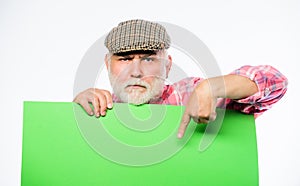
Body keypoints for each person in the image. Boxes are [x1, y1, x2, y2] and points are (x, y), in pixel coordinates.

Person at [73, 19, 288, 139]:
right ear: (108, 64)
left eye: (148, 59)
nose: (136, 71)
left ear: (167, 65)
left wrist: (211, 88)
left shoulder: (190, 94)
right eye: (125, 59)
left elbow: (276, 82)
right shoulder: (100, 106)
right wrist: (73, 117)